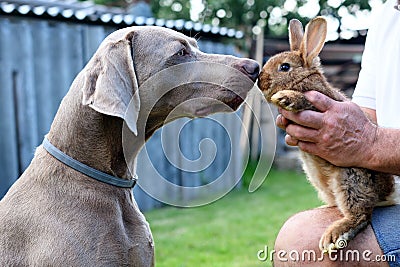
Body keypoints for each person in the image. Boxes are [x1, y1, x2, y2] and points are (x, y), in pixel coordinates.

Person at [273, 0, 400, 266]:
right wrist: (325, 132)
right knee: (297, 239)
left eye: (284, 69)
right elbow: (365, 116)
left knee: (303, 245)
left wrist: (371, 142)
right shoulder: (387, 16)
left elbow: (367, 136)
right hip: (391, 194)